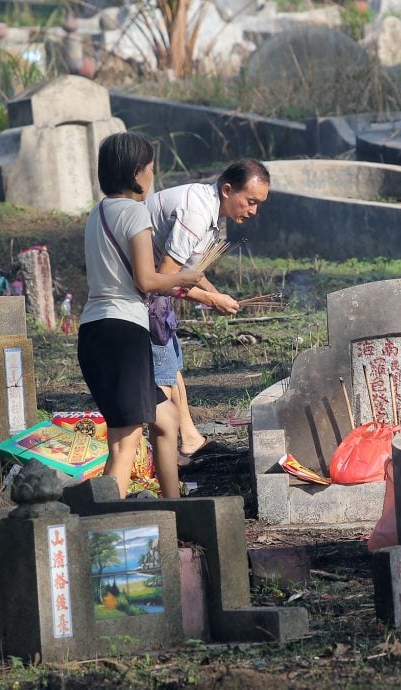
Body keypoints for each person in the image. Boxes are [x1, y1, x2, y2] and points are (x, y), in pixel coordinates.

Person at [78, 132, 203, 498]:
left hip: (93, 331)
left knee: (165, 417)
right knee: (125, 442)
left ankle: (174, 507)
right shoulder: (135, 213)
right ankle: (107, 529)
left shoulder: (97, 212)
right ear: (137, 172)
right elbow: (147, 280)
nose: (152, 176)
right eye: (150, 169)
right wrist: (186, 278)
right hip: (124, 333)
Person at [145, 159, 271, 460]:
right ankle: (171, 450)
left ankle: (189, 437)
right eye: (250, 201)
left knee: (171, 363)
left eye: (258, 204)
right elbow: (164, 279)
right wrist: (212, 301)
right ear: (228, 189)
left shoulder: (210, 209)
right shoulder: (197, 213)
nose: (253, 211)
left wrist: (217, 295)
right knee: (163, 369)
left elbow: (192, 271)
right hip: (142, 289)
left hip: (153, 291)